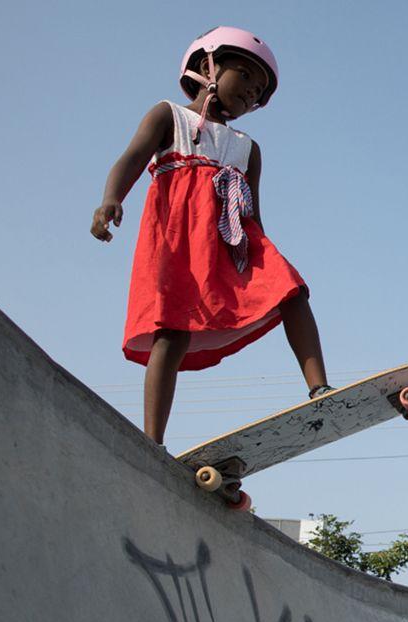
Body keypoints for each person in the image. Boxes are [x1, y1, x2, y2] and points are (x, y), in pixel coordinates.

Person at [91, 26, 332, 445]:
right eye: (246, 77)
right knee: (173, 332)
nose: (251, 94)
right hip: (179, 240)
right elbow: (131, 158)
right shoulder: (169, 115)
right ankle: (153, 443)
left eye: (259, 92)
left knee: (292, 290)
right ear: (208, 66)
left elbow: (253, 211)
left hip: (233, 241)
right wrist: (111, 199)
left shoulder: (248, 148)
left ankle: (320, 390)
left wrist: (262, 267)